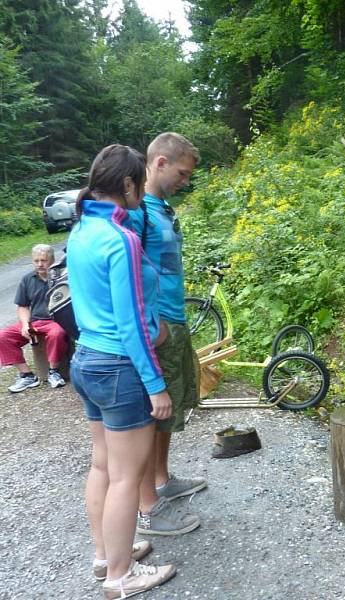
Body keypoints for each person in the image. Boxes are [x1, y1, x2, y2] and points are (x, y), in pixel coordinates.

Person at [68, 144, 176, 599]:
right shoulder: (121, 239)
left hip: (86, 360)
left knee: (103, 465)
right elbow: (131, 322)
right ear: (130, 185)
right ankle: (119, 577)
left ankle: (105, 556)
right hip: (119, 367)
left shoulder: (80, 230)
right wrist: (156, 385)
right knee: (128, 477)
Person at [127, 133, 206, 537]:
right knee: (150, 414)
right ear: (158, 162)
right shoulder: (137, 212)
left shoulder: (161, 208)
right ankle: (148, 508)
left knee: (170, 408)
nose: (185, 180)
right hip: (157, 328)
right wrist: (150, 324)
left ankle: (161, 479)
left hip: (174, 321)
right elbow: (131, 276)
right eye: (181, 172)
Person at [0, 244, 69, 392]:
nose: (40, 264)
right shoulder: (27, 279)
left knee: (57, 333)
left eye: (44, 260)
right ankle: (27, 375)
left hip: (55, 321)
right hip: (35, 321)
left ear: (52, 259)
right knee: (3, 336)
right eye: (36, 261)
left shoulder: (62, 276)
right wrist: (25, 324)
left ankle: (53, 372)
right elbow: (22, 306)